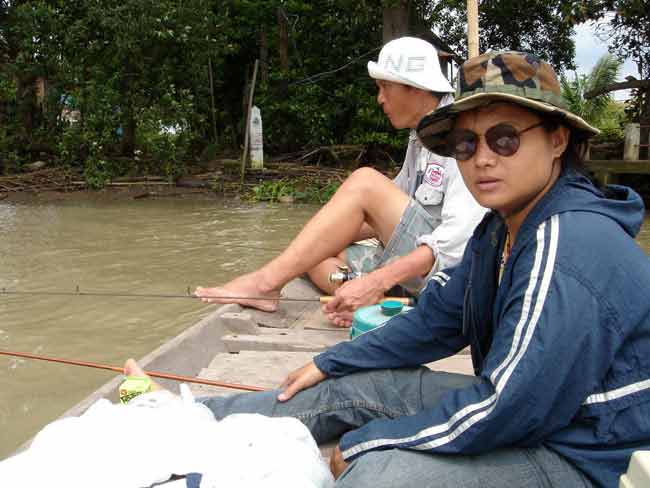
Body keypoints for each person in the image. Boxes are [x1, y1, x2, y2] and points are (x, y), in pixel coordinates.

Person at [127, 51, 650, 487]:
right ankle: (182, 417)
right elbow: (437, 320)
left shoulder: (568, 240)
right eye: (466, 144)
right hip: (529, 414)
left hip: (578, 452)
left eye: (505, 138)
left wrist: (373, 441)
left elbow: (513, 407)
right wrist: (334, 364)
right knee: (352, 384)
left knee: (377, 473)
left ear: (557, 141)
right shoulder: (503, 226)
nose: (483, 158)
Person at [195, 36, 486, 327]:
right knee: (316, 256)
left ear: (415, 87)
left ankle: (264, 285)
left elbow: (458, 244)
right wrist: (321, 237)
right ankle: (362, 295)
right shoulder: (421, 134)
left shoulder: (461, 135)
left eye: (385, 87)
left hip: (453, 278)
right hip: (417, 270)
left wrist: (378, 278)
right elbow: (394, 209)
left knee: (364, 182)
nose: (380, 98)